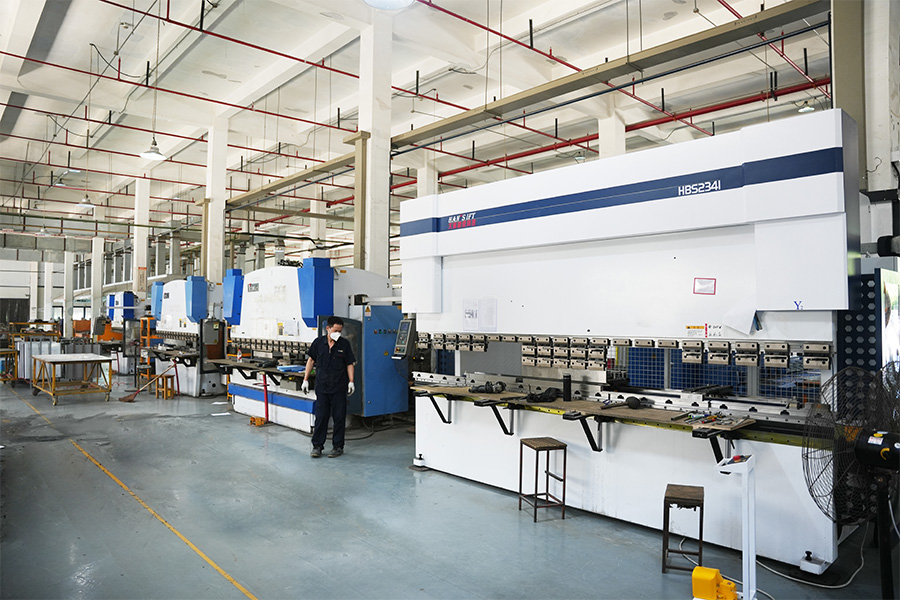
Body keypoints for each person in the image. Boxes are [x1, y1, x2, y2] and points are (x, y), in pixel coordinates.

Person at [302, 316, 355, 458]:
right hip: (322, 387)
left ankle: (338, 447)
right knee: (321, 417)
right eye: (336, 330)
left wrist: (351, 381)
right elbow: (311, 360)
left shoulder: (344, 344)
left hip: (339, 387)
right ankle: (317, 446)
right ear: (328, 329)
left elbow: (349, 363)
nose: (338, 333)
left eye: (340, 331)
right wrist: (305, 379)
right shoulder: (318, 343)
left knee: (339, 418)